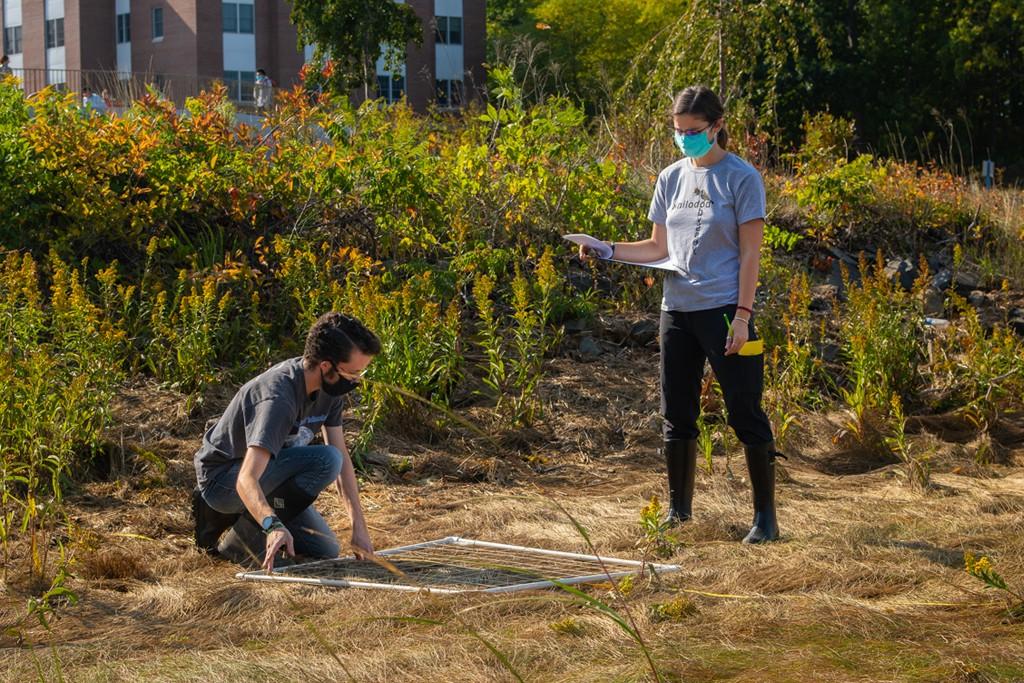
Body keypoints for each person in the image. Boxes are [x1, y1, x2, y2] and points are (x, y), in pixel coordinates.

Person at [580, 85, 782, 543]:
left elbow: (751, 255)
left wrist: (745, 315)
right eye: (678, 131)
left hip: (727, 310)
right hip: (678, 311)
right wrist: (606, 249)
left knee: (745, 409)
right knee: (677, 411)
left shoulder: (741, 178)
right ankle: (678, 511)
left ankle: (765, 519)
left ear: (716, 127)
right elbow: (657, 247)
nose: (685, 138)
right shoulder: (670, 178)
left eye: (693, 131)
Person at [192, 312, 381, 571]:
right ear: (326, 366)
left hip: (271, 474)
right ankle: (240, 537)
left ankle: (247, 531)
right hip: (224, 480)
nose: (357, 381)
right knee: (326, 459)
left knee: (325, 549)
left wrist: (359, 525)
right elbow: (246, 479)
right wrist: (273, 525)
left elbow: (343, 457)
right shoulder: (278, 398)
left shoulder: (330, 389)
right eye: (353, 373)